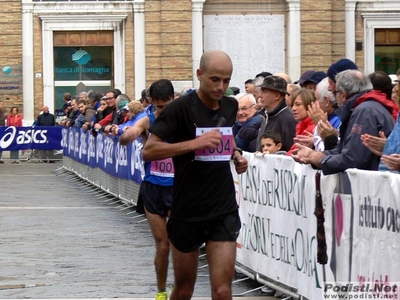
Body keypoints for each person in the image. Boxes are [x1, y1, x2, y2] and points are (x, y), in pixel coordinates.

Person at [142, 50, 248, 300]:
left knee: (222, 291)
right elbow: (149, 150)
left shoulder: (231, 105)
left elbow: (225, 138)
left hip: (222, 207)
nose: (221, 87)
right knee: (184, 290)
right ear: (199, 75)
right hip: (187, 208)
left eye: (226, 80)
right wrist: (193, 144)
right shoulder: (179, 109)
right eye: (214, 79)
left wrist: (235, 155)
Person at [120, 79, 175, 300]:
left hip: (177, 187)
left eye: (167, 105)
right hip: (152, 187)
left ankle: (179, 287)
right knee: (162, 245)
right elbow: (132, 131)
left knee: (181, 243)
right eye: (159, 106)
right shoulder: (147, 119)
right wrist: (128, 136)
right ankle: (161, 291)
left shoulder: (183, 120)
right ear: (152, 102)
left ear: (174, 99)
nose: (162, 110)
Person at [291, 70, 398, 174]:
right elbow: (345, 150)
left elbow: (354, 158)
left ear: (343, 95)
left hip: (374, 184)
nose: (334, 98)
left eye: (334, 92)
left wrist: (318, 158)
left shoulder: (365, 112)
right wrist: (313, 155)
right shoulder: (364, 108)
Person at [249, 75, 297, 152]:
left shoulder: (288, 119)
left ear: (277, 96)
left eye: (264, 91)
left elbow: (292, 152)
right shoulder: (266, 115)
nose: (260, 95)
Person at [286, 89, 316, 155]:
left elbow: (294, 153)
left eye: (298, 104)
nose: (293, 108)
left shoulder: (314, 127)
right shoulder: (300, 125)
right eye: (292, 105)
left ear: (310, 105)